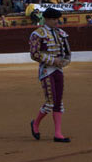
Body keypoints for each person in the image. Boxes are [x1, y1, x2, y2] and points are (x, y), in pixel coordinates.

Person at [29, 8, 72, 143]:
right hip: (46, 70)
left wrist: (64, 62)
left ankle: (58, 133)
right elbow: (34, 54)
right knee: (50, 102)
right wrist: (54, 61)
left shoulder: (61, 33)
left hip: (58, 70)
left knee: (58, 101)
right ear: (46, 19)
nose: (56, 21)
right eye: (53, 19)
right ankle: (35, 123)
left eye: (57, 19)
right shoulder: (38, 34)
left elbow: (67, 52)